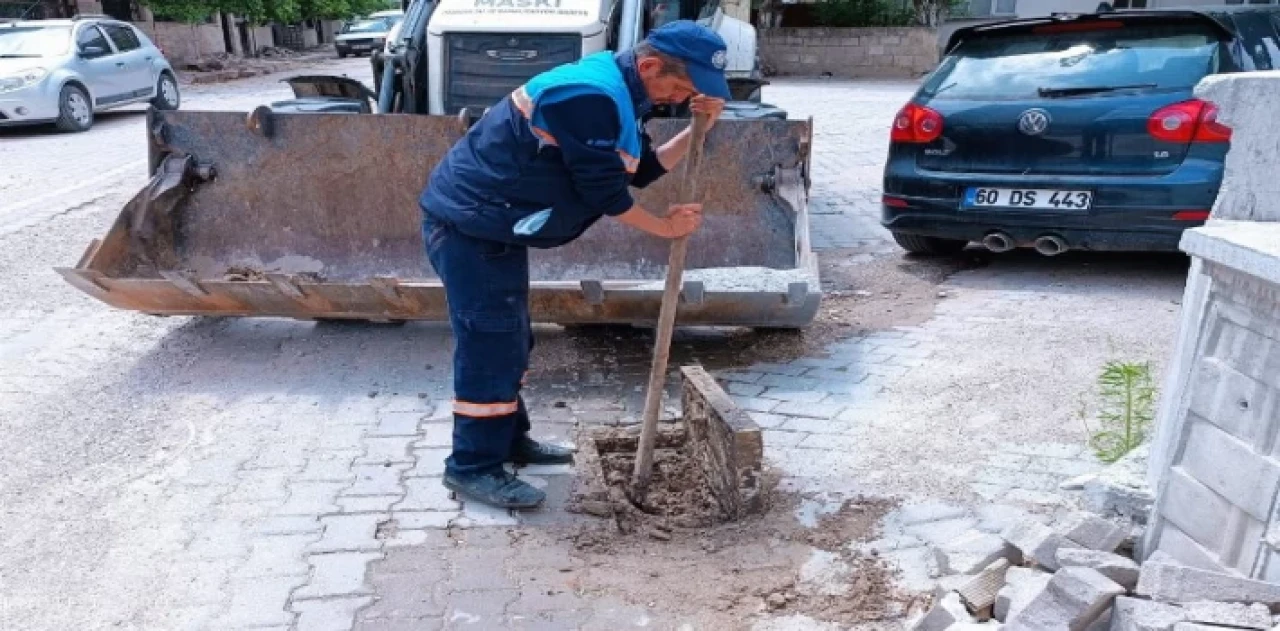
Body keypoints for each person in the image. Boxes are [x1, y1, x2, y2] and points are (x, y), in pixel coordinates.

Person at [418, 20, 730, 509]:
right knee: (490, 344)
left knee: (512, 337)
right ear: (649, 66)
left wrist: (699, 128)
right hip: (469, 227)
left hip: (493, 225)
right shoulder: (589, 96)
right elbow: (603, 192)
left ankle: (506, 440)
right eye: (681, 86)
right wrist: (664, 227)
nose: (680, 98)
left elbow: (641, 171)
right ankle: (472, 466)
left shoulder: (624, 95)